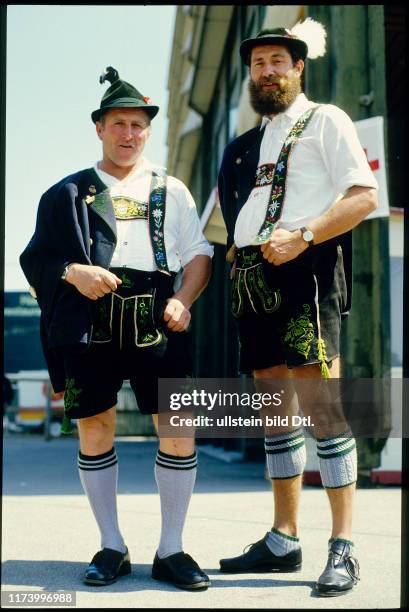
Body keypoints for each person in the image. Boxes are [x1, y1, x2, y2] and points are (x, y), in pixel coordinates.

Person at [20, 67, 213, 590]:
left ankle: (172, 549)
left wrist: (183, 297)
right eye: (118, 123)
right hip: (88, 320)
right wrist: (71, 271)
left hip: (158, 314)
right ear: (100, 128)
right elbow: (36, 257)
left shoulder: (172, 190)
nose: (128, 133)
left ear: (148, 130)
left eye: (138, 125)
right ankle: (112, 545)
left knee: (177, 429)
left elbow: (198, 254)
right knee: (95, 426)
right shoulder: (66, 193)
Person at [217, 20, 378, 596]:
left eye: (277, 61)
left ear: (298, 67)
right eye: (258, 63)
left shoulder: (326, 119)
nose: (267, 71)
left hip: (307, 268)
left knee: (321, 404)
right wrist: (241, 250)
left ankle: (344, 546)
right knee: (275, 412)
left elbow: (364, 196)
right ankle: (283, 540)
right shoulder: (239, 149)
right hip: (255, 278)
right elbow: (233, 219)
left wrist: (305, 235)